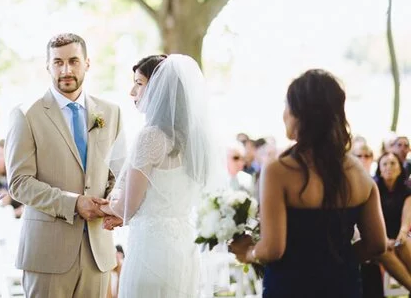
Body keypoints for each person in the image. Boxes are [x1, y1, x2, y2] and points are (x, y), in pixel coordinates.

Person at [230, 69, 387, 297]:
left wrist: (248, 253)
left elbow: (273, 249)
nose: (284, 113)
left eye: (287, 105)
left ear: (301, 114)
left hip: (291, 288)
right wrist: (339, 261)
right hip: (342, 287)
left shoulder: (278, 171)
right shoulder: (359, 174)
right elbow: (377, 245)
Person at [5, 33, 122, 297]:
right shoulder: (26, 114)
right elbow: (19, 183)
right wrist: (73, 203)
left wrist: (115, 202)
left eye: (73, 61)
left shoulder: (110, 112)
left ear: (87, 63)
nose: (66, 70)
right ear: (48, 66)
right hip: (47, 254)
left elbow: (116, 173)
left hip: (97, 252)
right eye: (57, 62)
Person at [101, 54, 216, 297]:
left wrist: (108, 208)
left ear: (159, 89)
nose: (133, 91)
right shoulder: (197, 141)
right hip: (184, 248)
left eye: (139, 83)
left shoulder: (151, 137)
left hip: (151, 250)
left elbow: (128, 207)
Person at [373, 151, 411, 289]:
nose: (389, 167)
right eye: (385, 164)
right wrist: (383, 239)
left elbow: (406, 221)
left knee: (404, 243)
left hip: (400, 235)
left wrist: (401, 235)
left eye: (393, 163)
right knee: (382, 252)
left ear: (400, 168)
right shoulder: (373, 188)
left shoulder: (407, 190)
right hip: (379, 237)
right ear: (380, 169)